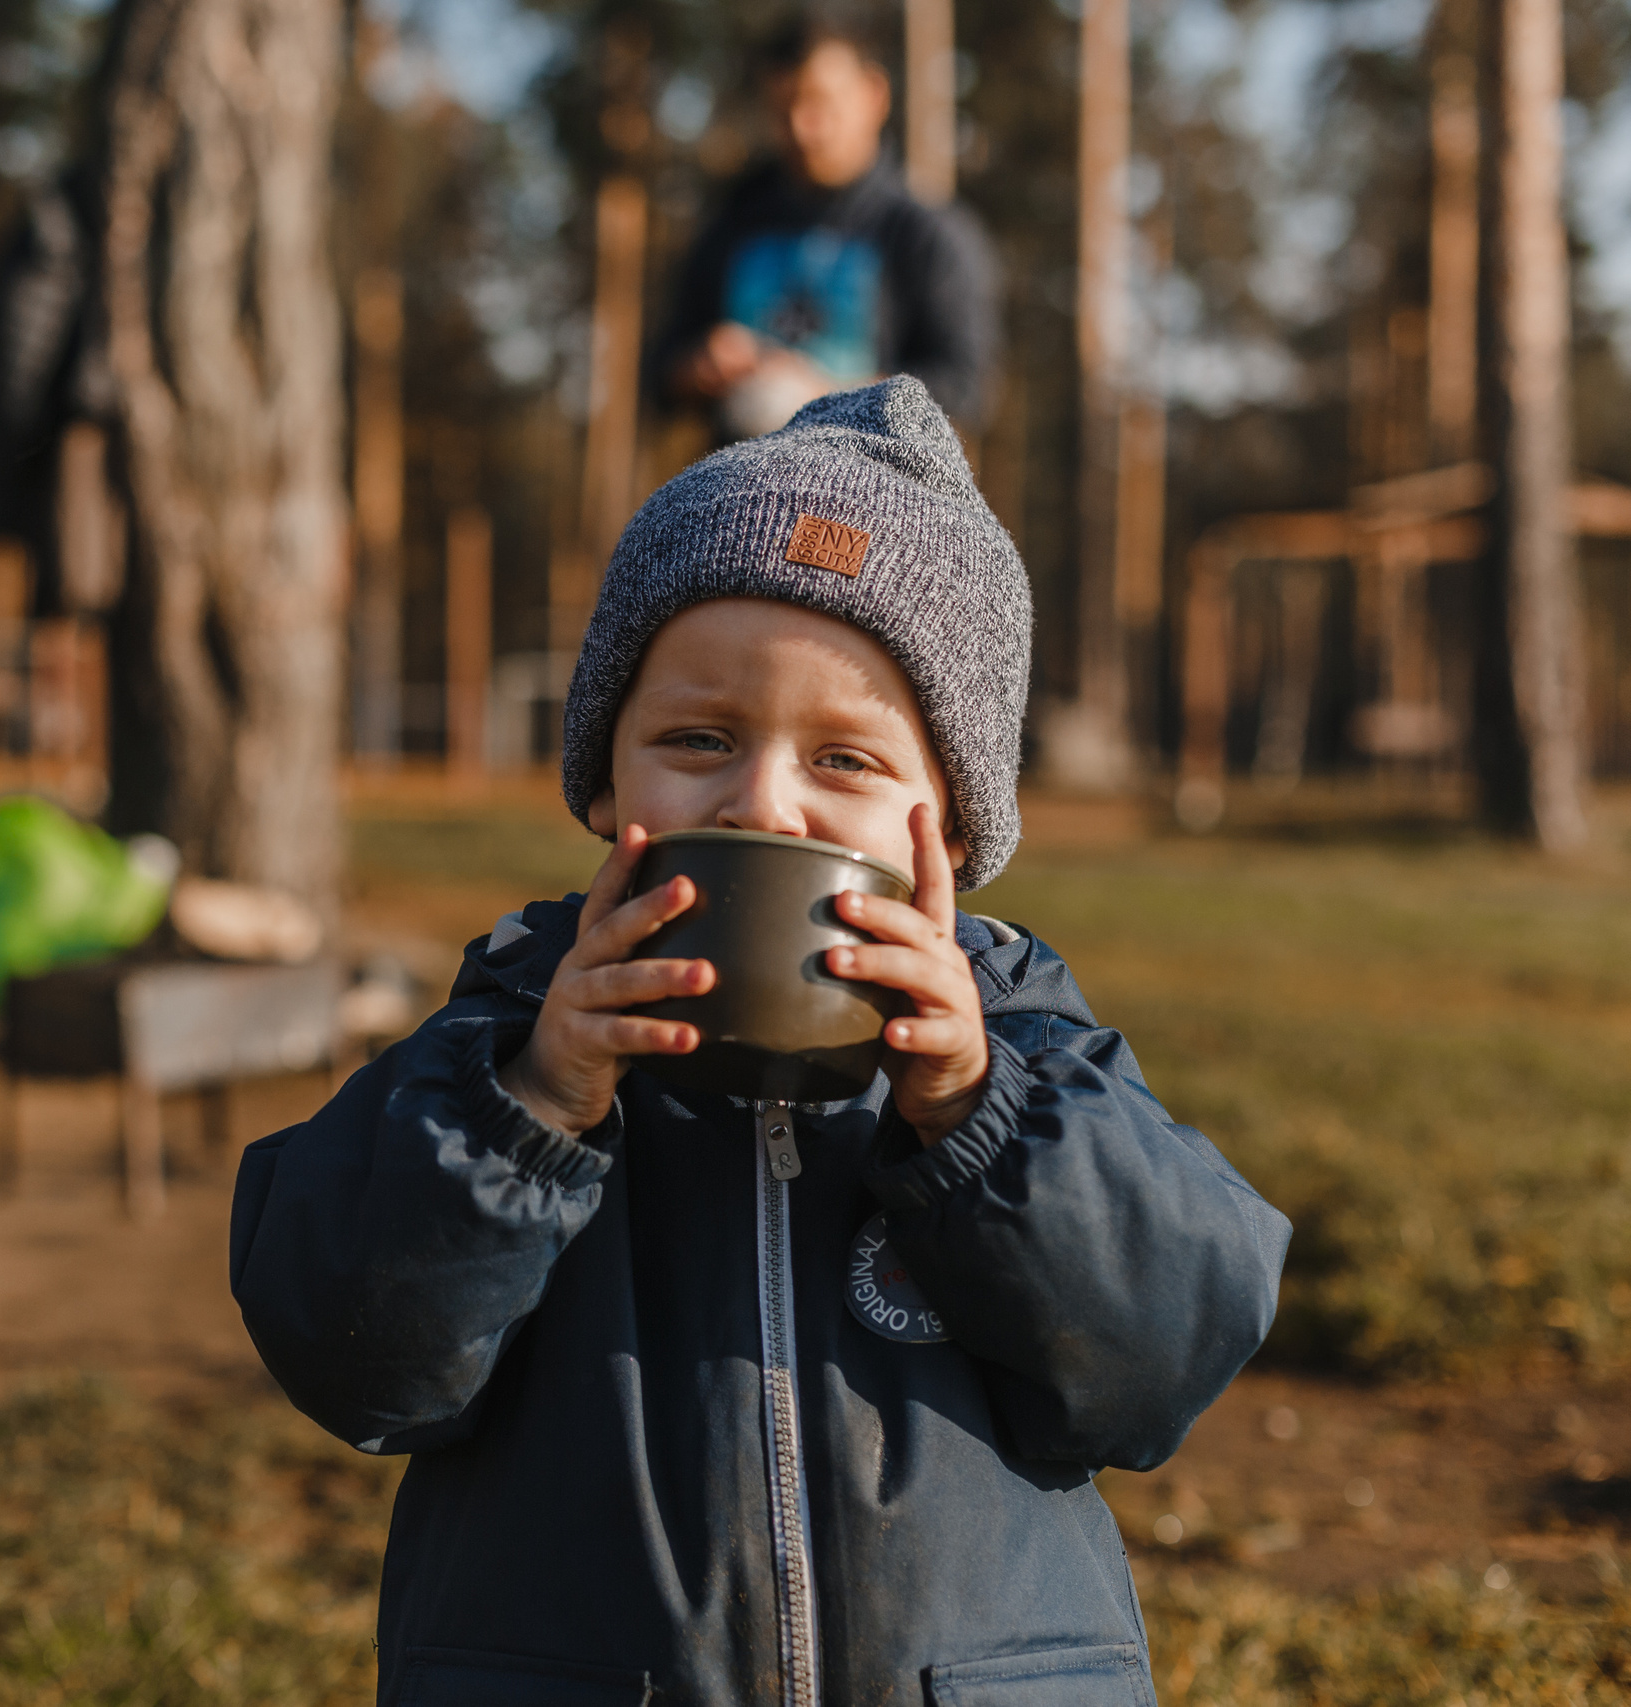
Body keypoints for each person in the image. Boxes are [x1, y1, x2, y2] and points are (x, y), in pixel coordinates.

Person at [230, 379, 1285, 1706]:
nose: (764, 802)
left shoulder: (1024, 1046)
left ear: (953, 826)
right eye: (697, 739)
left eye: (844, 760)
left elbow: (1158, 1364)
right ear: (604, 782)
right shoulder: (505, 1034)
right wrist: (535, 1105)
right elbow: (352, 1359)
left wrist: (974, 1108)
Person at [656, 13, 1000, 439]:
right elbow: (658, 370)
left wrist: (830, 395)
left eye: (820, 102)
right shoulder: (731, 225)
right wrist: (699, 366)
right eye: (783, 108)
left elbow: (967, 386)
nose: (802, 127)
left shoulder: (927, 236)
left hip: (872, 479)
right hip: (734, 475)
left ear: (874, 95)